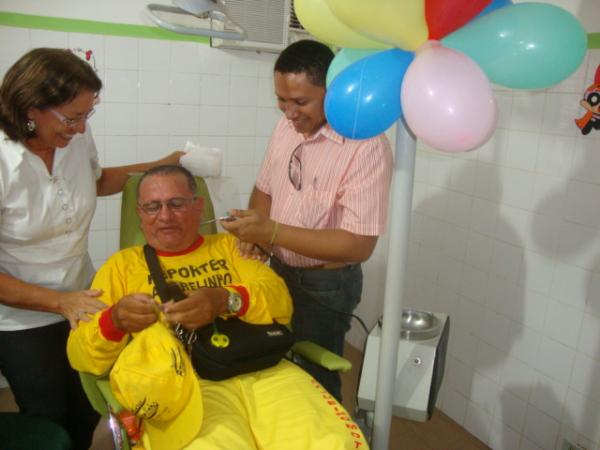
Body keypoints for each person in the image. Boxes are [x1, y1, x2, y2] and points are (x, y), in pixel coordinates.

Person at [67, 165, 369, 450]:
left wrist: (226, 299)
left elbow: (280, 301)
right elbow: (81, 355)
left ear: (198, 207)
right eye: (153, 206)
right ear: (140, 213)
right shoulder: (121, 267)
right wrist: (115, 321)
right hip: (189, 385)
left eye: (176, 203)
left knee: (331, 442)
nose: (165, 216)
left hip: (267, 369)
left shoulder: (233, 248)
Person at [0, 48, 182, 449]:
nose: (81, 129)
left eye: (87, 115)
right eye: (72, 118)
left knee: (91, 404)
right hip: (20, 318)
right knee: (48, 415)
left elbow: (96, 181)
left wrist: (161, 168)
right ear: (31, 109)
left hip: (81, 297)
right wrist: (58, 302)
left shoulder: (75, 139)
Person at [222, 40, 393, 401]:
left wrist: (273, 231)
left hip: (325, 284)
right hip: (278, 268)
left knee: (314, 382)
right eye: (281, 100)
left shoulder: (366, 146)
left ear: (332, 92)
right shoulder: (285, 128)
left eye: (300, 102)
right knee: (276, 363)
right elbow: (264, 188)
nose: (288, 113)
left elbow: (358, 244)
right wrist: (256, 233)